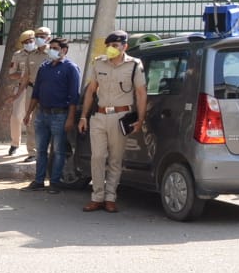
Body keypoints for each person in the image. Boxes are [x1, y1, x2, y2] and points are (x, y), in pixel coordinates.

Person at [78, 31, 147, 212]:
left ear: (125, 47)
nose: (111, 49)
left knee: (115, 160)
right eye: (109, 45)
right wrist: (84, 116)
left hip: (120, 117)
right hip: (99, 116)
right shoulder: (99, 63)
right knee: (98, 157)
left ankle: (110, 197)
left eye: (115, 46)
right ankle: (97, 197)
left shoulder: (134, 65)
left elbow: (141, 93)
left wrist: (140, 119)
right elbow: (91, 91)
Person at [21, 37, 81, 194]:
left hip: (60, 115)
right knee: (40, 149)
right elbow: (36, 93)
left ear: (64, 50)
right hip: (42, 113)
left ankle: (55, 182)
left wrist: (70, 118)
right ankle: (39, 180)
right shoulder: (44, 67)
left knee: (58, 150)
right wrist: (28, 113)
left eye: (55, 48)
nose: (51, 51)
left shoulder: (71, 68)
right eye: (51, 47)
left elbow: (74, 96)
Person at [7, 29, 38, 158]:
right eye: (26, 42)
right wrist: (24, 75)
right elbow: (11, 73)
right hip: (21, 88)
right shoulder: (18, 55)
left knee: (34, 119)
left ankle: (33, 148)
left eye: (31, 41)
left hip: (35, 88)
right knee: (15, 117)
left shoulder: (40, 54)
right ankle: (15, 143)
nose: (28, 43)